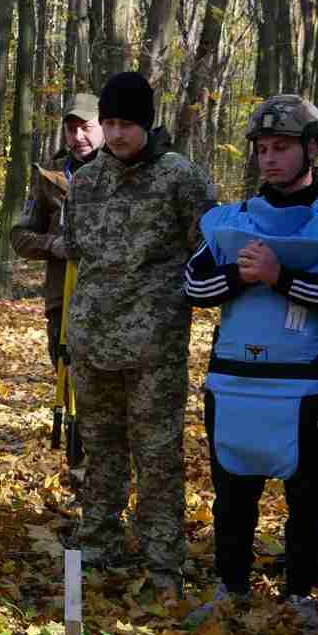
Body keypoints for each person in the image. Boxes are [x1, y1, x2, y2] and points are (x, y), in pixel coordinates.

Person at [184, 96, 318, 626]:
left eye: (283, 148)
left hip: (303, 383)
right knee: (231, 493)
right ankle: (231, 585)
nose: (270, 159)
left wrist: (280, 277)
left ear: (313, 149)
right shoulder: (233, 218)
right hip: (234, 379)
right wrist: (240, 276)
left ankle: (299, 592)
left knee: (307, 495)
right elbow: (194, 283)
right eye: (264, 149)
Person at [63, 71, 216, 596]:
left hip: (155, 345)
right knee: (100, 449)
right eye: (109, 122)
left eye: (127, 122)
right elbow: (78, 246)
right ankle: (98, 543)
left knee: (156, 454)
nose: (118, 133)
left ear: (147, 123)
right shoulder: (85, 181)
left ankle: (162, 560)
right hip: (91, 338)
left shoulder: (181, 179)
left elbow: (208, 251)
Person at [13, 93, 102, 471]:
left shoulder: (120, 174)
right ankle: (79, 473)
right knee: (70, 391)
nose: (78, 136)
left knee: (104, 399)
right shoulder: (49, 177)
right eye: (71, 128)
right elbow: (20, 236)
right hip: (62, 307)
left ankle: (103, 481)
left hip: (108, 305)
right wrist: (56, 246)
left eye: (86, 127)